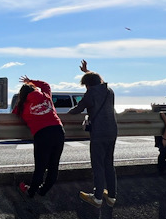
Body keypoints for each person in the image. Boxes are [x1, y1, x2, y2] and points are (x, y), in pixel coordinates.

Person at [68, 60, 118, 208]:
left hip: (99, 133)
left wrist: (67, 113)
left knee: (98, 165)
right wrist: (87, 71)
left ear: (88, 84)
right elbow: (100, 80)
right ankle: (112, 196)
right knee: (109, 164)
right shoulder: (110, 91)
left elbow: (78, 109)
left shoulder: (91, 93)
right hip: (112, 131)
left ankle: (97, 198)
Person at [12, 75, 65, 199]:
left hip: (42, 134)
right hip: (58, 130)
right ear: (34, 89)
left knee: (40, 166)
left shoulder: (22, 106)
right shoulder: (46, 96)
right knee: (54, 165)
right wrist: (30, 81)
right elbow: (46, 85)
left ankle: (31, 192)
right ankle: (43, 190)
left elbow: (13, 114)